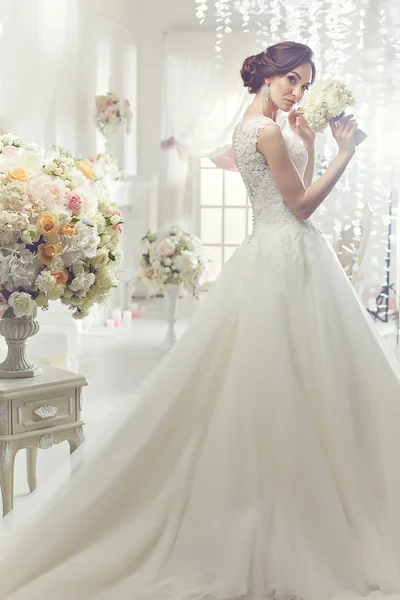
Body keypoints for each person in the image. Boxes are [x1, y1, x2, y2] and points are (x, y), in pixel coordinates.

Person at [0, 40, 400, 600]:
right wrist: (346, 152)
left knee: (307, 376)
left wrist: (308, 142)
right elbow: (302, 206)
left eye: (306, 84)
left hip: (280, 252)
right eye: (291, 79)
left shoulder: (261, 125)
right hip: (287, 255)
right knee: (291, 377)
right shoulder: (261, 129)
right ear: (268, 77)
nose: (298, 91)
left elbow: (291, 195)